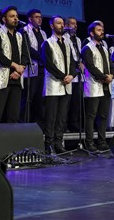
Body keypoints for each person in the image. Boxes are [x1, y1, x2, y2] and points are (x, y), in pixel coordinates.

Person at [41, 16, 76, 153]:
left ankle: (58, 143)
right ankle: (49, 144)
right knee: (51, 117)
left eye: (62, 23)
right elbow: (48, 64)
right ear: (51, 26)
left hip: (67, 84)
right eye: (58, 23)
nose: (62, 25)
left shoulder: (67, 43)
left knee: (62, 117)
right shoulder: (47, 43)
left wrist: (72, 75)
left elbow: (73, 62)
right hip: (54, 84)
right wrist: (63, 76)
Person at [0, 6, 28, 124]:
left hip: (17, 79)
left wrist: (19, 70)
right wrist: (15, 65)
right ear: (4, 19)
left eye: (16, 16)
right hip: (1, 80)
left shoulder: (20, 35)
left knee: (14, 115)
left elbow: (25, 55)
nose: (15, 19)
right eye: (12, 16)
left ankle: (12, 141)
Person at [81, 21, 114, 152]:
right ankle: (89, 143)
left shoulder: (105, 48)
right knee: (91, 115)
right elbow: (90, 66)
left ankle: (102, 141)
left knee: (103, 115)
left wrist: (111, 75)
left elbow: (110, 64)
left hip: (106, 85)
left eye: (102, 30)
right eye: (99, 30)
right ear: (92, 33)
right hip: (94, 84)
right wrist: (104, 77)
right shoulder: (87, 48)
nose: (102, 32)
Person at [21, 9, 46, 124]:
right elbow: (27, 48)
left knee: (39, 99)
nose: (39, 19)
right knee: (28, 98)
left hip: (42, 69)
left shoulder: (43, 33)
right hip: (31, 68)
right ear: (30, 19)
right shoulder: (24, 30)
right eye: (36, 17)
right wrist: (42, 57)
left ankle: (39, 124)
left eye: (40, 17)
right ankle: (24, 122)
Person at [64, 16, 84, 132]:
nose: (75, 26)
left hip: (78, 73)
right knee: (67, 101)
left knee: (76, 101)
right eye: (72, 24)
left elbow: (79, 55)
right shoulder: (64, 38)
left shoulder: (78, 40)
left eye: (76, 24)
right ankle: (65, 124)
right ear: (66, 25)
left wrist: (81, 63)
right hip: (69, 72)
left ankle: (74, 123)